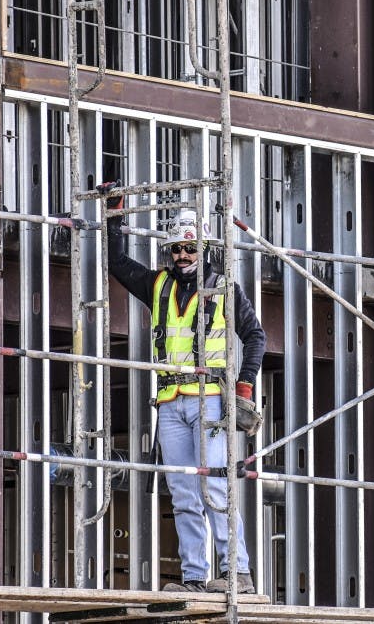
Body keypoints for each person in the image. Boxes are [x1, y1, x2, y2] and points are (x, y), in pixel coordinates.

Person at [105, 196, 264, 594]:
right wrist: (114, 217)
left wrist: (244, 385)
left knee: (215, 486)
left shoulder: (224, 288)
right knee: (182, 494)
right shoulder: (158, 284)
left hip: (209, 400)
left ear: (203, 247)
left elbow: (255, 337)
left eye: (190, 247)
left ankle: (237, 574)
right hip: (169, 403)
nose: (182, 255)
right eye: (176, 248)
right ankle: (194, 577)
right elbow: (117, 264)